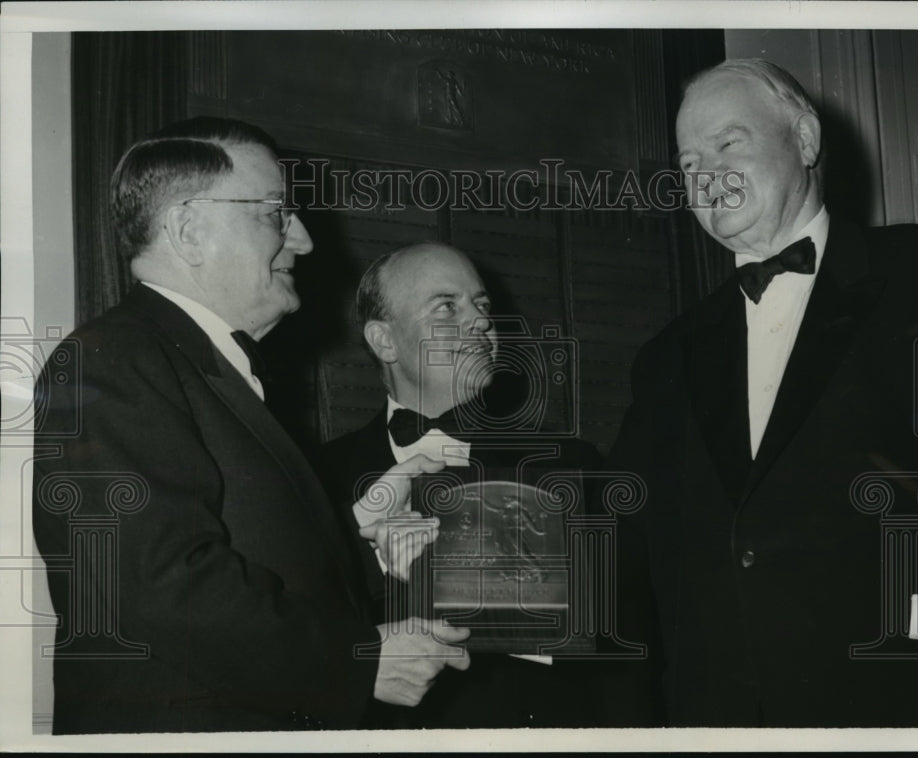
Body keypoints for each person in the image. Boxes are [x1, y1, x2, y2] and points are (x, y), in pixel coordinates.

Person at [32, 117, 470, 734]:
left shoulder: (191, 364)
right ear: (189, 232)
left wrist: (358, 541)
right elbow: (158, 585)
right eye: (274, 213)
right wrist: (356, 663)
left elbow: (231, 555)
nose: (305, 240)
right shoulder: (115, 359)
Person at [609, 59, 918, 727]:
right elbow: (620, 531)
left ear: (805, 141)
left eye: (729, 143)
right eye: (689, 163)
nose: (707, 175)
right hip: (724, 718)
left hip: (905, 702)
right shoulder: (668, 357)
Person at [317, 242, 605, 728]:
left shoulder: (566, 466)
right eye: (448, 306)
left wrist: (430, 572)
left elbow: (603, 640)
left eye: (483, 305)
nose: (481, 323)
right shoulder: (316, 475)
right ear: (384, 341)